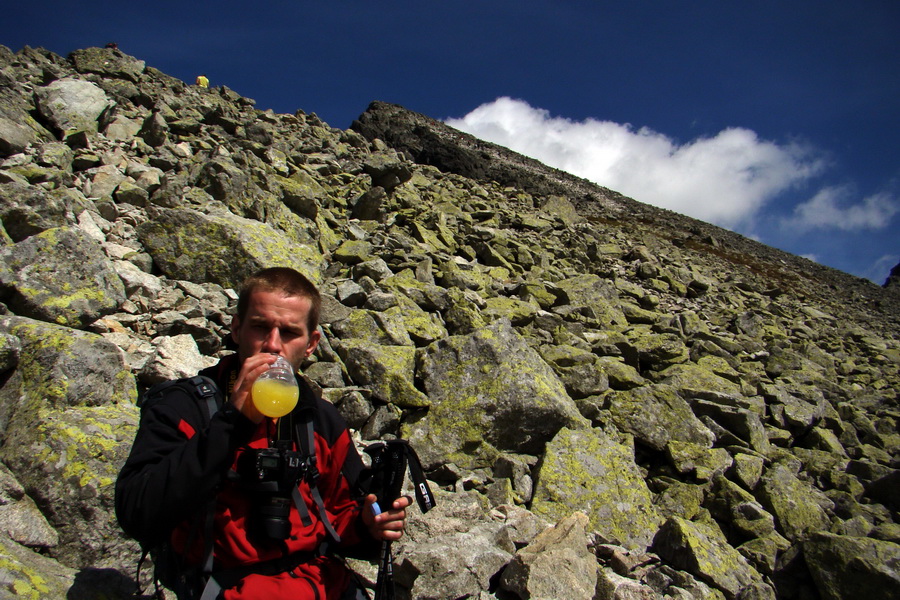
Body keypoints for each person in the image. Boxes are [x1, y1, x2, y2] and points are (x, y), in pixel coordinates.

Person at [116, 267, 411, 600]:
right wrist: (231, 422)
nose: (272, 344)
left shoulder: (318, 418)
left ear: (311, 344)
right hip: (224, 588)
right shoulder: (185, 407)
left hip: (320, 584)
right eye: (260, 327)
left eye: (288, 332)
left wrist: (370, 526)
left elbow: (343, 517)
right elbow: (136, 512)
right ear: (236, 328)